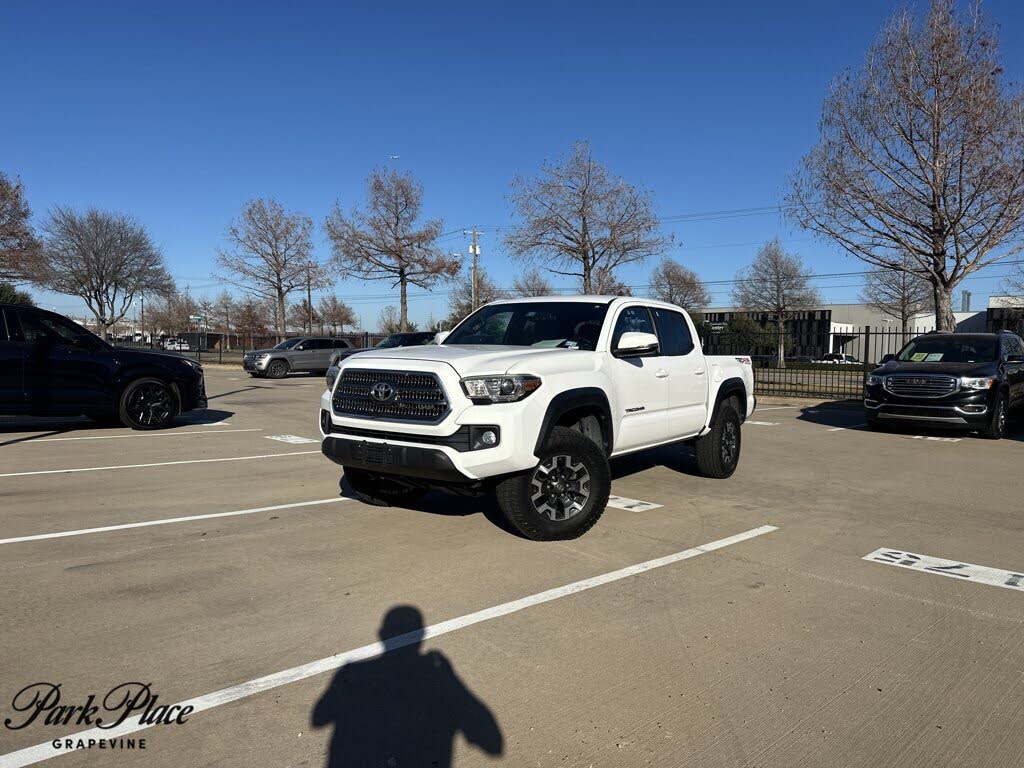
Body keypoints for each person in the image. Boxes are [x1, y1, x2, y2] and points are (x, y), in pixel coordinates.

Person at [312, 605, 503, 767]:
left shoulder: (352, 671)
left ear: (381, 634)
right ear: (421, 635)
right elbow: (493, 744)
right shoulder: (437, 671)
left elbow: (319, 718)